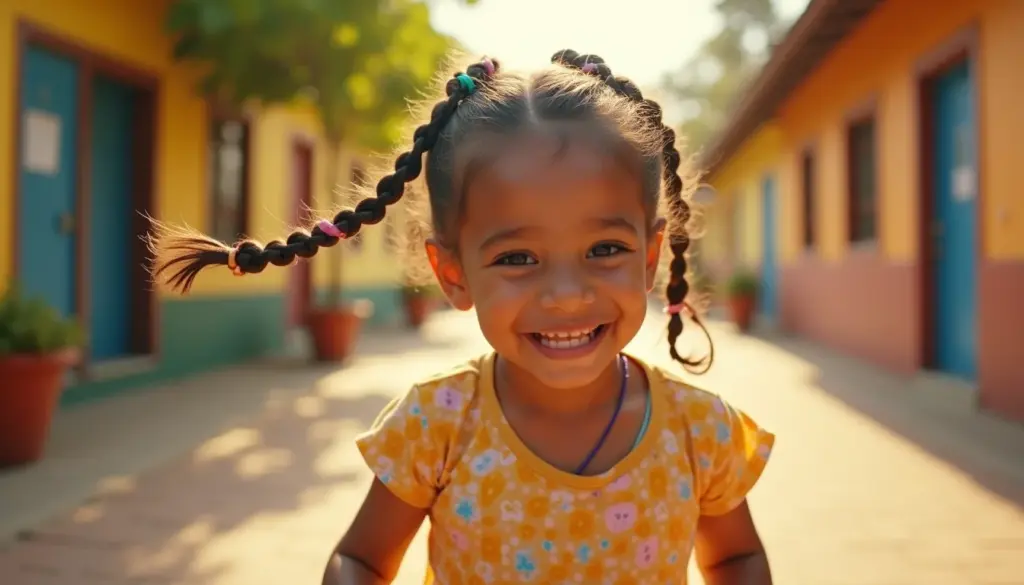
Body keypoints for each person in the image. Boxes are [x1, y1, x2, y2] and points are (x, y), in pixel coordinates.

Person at [151, 50, 774, 585]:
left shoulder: (700, 434)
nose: (564, 295)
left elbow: (737, 556)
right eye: (518, 257)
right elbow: (361, 559)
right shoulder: (438, 426)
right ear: (453, 273)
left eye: (604, 250)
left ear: (651, 257)